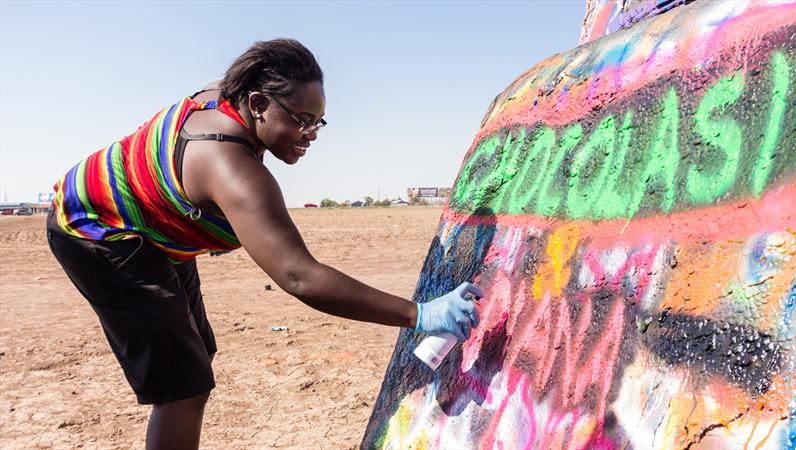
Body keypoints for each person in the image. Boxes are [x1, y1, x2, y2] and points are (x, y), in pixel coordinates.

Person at [46, 38, 481, 450]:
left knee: (197, 353)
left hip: (153, 227)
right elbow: (298, 275)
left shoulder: (232, 100)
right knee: (183, 387)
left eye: (318, 121)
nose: (311, 133)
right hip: (98, 232)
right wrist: (419, 314)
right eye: (301, 119)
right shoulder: (230, 168)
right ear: (257, 104)